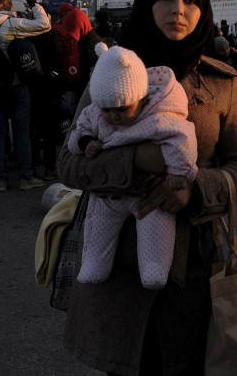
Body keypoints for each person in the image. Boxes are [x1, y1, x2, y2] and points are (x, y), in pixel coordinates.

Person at [57, 0, 237, 375]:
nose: (178, 9)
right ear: (148, 3)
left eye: (190, 0)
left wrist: (195, 187)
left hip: (195, 262)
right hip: (117, 260)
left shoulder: (222, 84)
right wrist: (136, 161)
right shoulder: (111, 72)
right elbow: (67, 163)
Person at [67, 44, 197, 290]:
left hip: (150, 193)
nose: (114, 116)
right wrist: (86, 143)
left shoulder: (157, 115)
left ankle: (154, 272)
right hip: (108, 194)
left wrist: (181, 172)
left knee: (155, 247)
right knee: (98, 237)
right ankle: (93, 266)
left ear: (141, 98)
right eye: (107, 110)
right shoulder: (94, 112)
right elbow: (77, 134)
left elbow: (181, 137)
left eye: (123, 109)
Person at [0, 0, 50, 192]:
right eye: (9, 2)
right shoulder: (10, 24)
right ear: (1, 6)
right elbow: (44, 25)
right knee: (22, 132)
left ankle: (0, 180)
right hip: (15, 85)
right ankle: (26, 177)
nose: (11, 5)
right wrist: (35, 5)